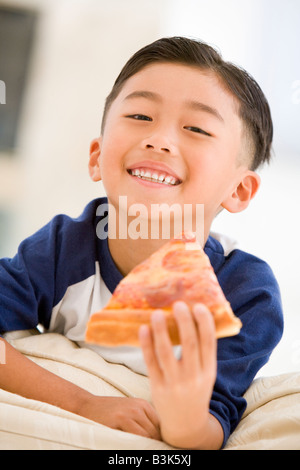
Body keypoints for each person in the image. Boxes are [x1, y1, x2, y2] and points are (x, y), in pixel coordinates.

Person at [0, 37, 283, 450]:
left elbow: (207, 430)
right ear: (97, 157)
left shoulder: (246, 294)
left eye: (196, 128)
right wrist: (83, 403)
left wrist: (184, 416)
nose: (160, 140)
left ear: (239, 190)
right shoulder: (64, 246)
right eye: (139, 115)